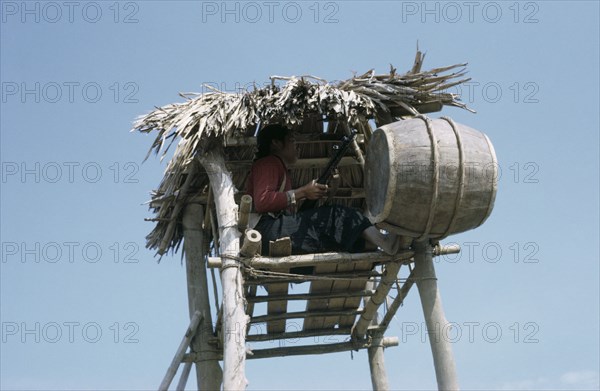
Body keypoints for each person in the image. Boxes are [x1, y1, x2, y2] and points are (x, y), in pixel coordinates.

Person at [246, 123, 399, 256]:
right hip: (265, 232)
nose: (296, 146)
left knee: (340, 236)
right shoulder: (268, 162)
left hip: (274, 233)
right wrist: (303, 192)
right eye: (291, 141)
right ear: (276, 143)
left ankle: (373, 244)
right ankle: (385, 242)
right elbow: (262, 202)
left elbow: (296, 217)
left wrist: (329, 191)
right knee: (337, 214)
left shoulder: (280, 169)